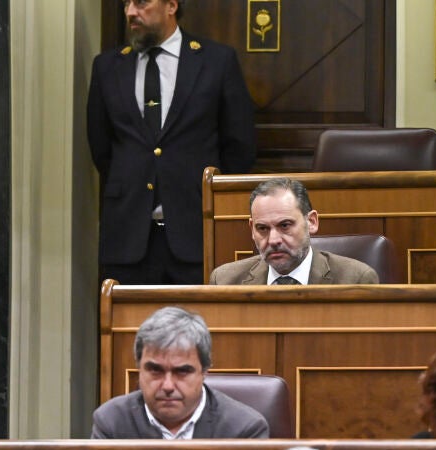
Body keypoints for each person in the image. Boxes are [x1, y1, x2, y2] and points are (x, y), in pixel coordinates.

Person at [87, 0, 256, 285]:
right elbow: (101, 149)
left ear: (171, 6)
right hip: (127, 236)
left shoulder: (216, 61)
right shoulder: (107, 66)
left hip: (196, 234)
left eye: (141, 3)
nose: (130, 12)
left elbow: (239, 145)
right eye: (127, 3)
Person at [91, 306, 269, 438]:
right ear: (139, 369)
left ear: (204, 371)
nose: (168, 386)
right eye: (155, 370)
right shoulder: (112, 421)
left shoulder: (244, 429)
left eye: (182, 371)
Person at [209, 177, 379, 285]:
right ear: (252, 229)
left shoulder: (356, 280)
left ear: (311, 222)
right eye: (263, 228)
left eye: (285, 226)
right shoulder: (225, 281)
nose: (273, 240)